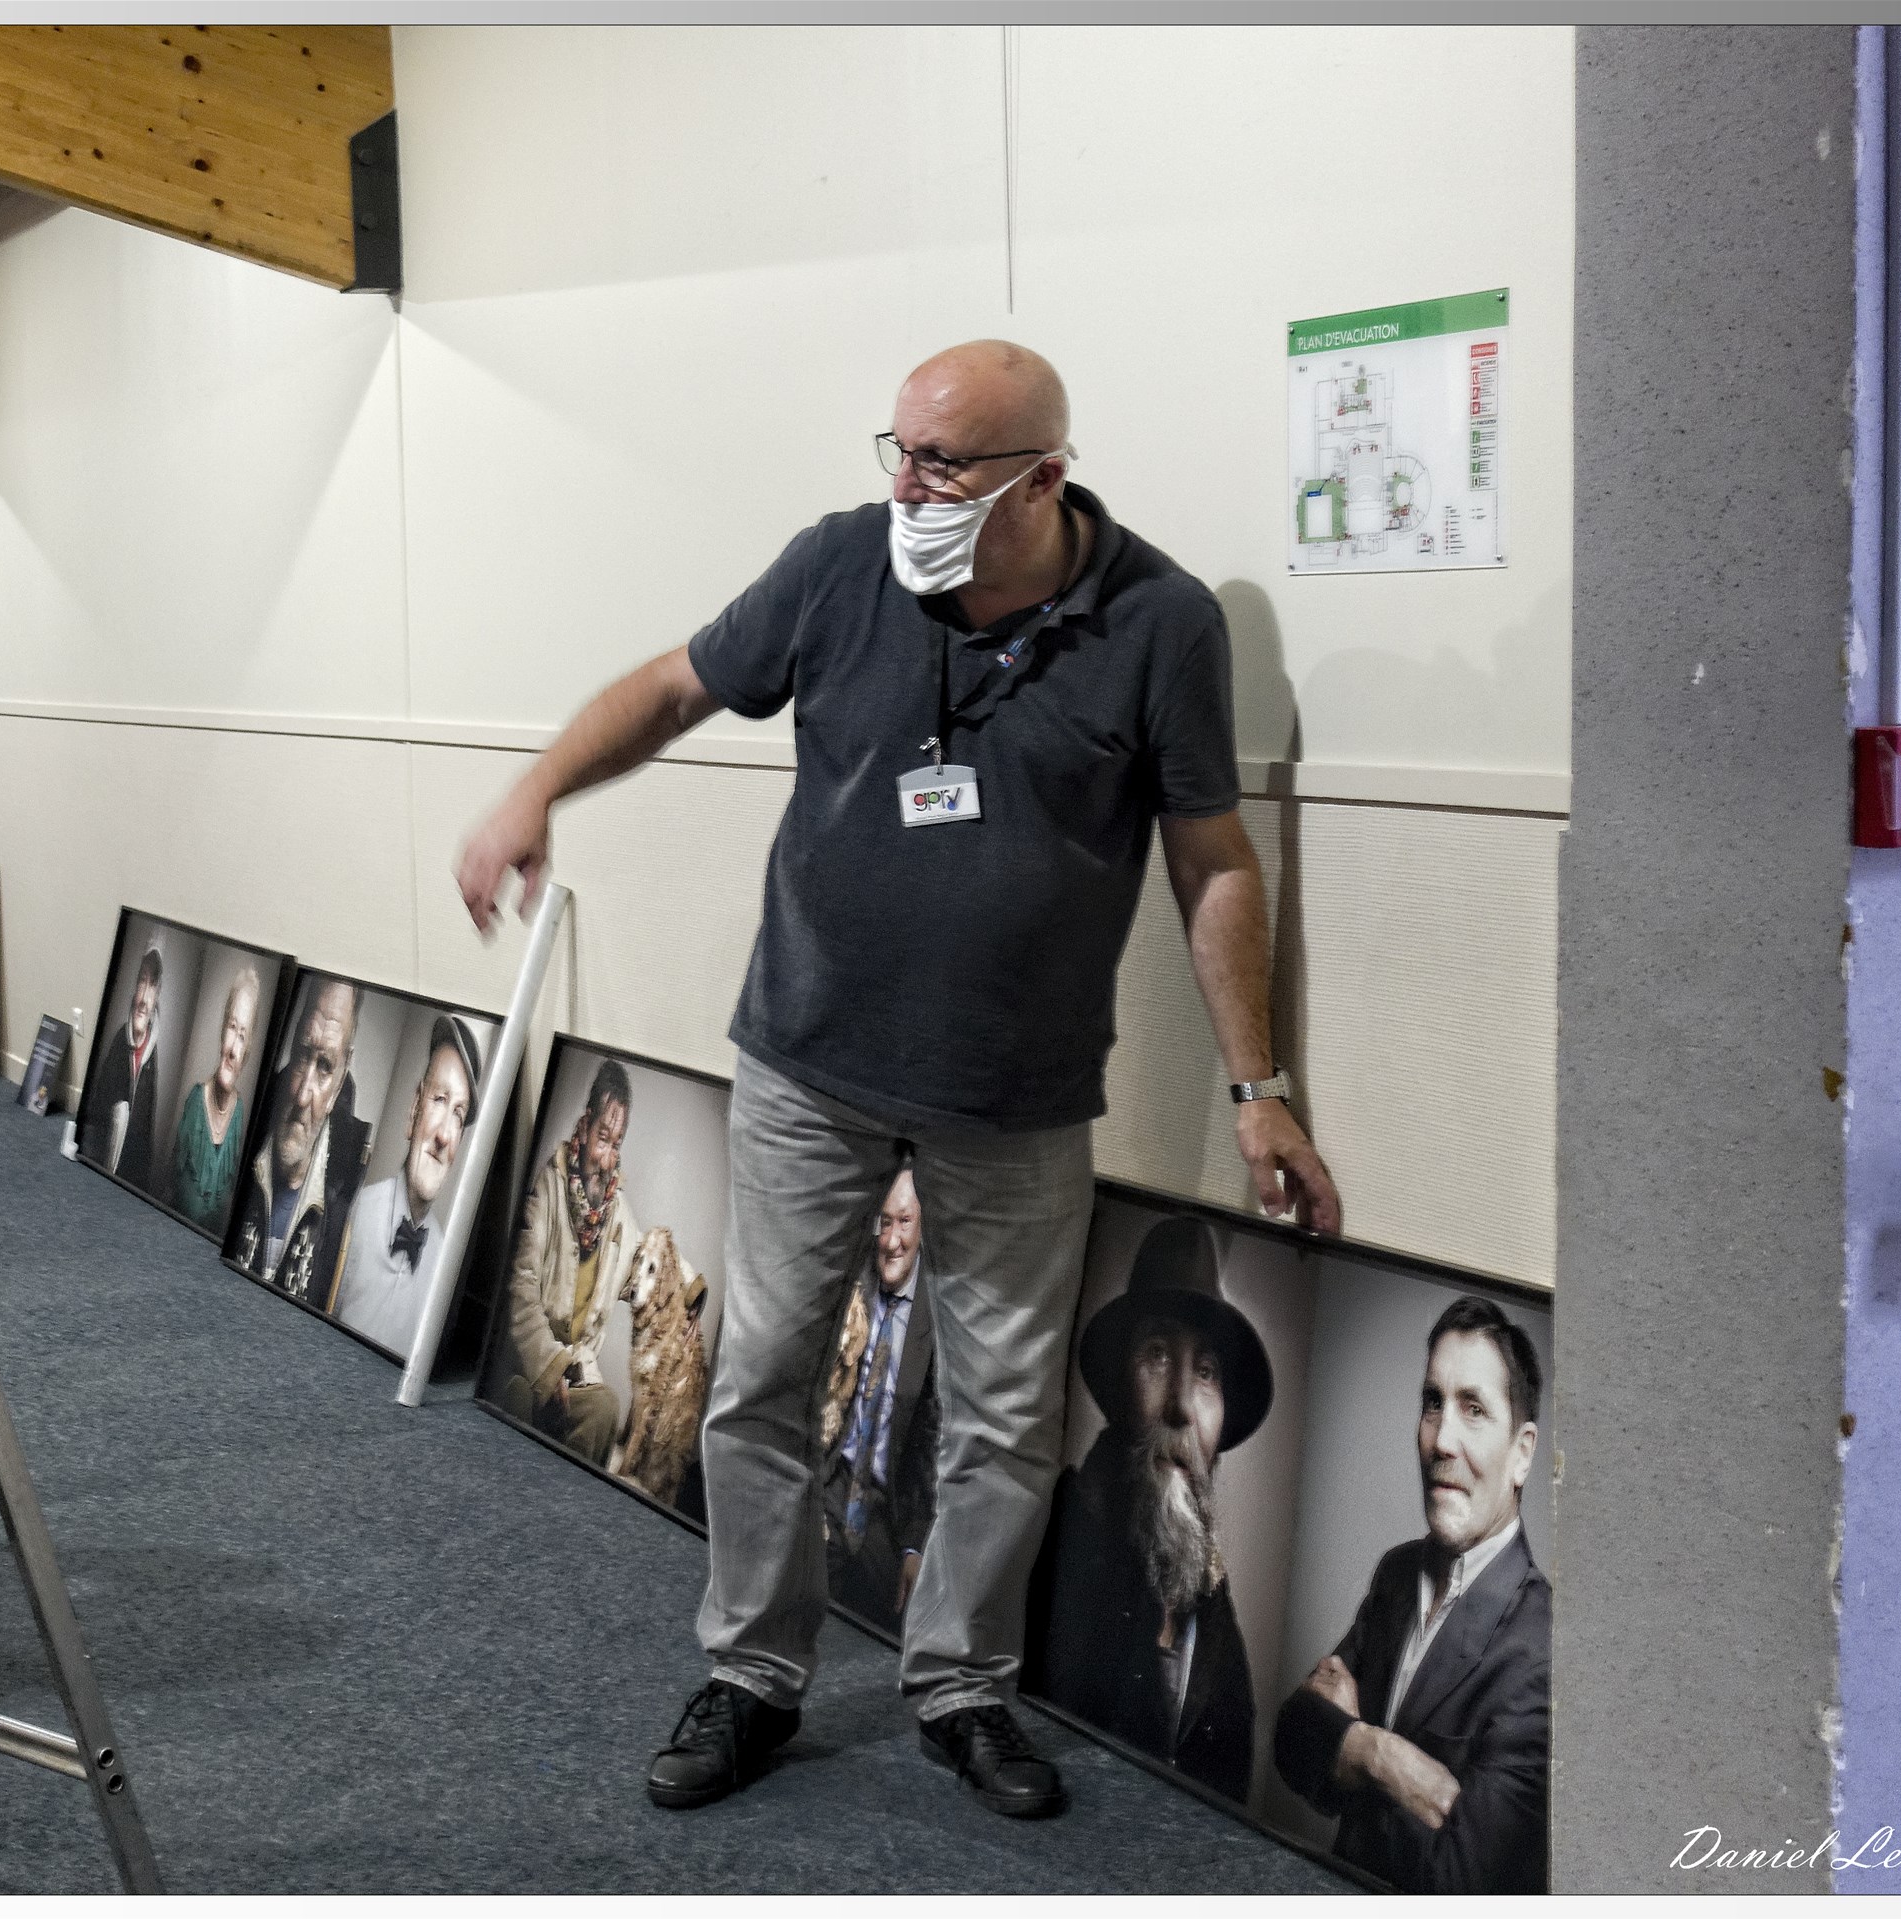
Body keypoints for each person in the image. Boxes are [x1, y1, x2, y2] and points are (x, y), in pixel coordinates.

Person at [454, 340, 1341, 1820]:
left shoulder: (1161, 621)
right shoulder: (837, 565)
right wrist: (535, 786)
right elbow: (676, 685)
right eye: (899, 452)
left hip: (1018, 1091)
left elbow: (1213, 859)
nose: (909, 488)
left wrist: (1262, 1089)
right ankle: (752, 1670)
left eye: (943, 463)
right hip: (812, 1059)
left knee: (1002, 1413)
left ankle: (963, 1684)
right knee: (760, 1378)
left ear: (1042, 478)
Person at [1272, 1297, 1549, 1893]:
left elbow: (1464, 1880)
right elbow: (1292, 1736)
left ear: (1522, 1454)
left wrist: (1343, 1742)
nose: (1442, 1439)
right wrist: (1382, 1758)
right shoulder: (1397, 1574)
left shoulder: (1546, 1648)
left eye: (1473, 1409)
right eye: (1432, 1402)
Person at [1028, 1217, 1270, 1804]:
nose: (1182, 1405)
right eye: (1157, 1355)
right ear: (1119, 1385)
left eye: (1206, 1372)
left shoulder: (1215, 1605)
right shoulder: (1053, 1533)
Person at [492, 1061, 641, 1465]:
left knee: (605, 1409)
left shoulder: (618, 1213)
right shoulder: (548, 1185)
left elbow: (651, 1259)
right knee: (515, 1397)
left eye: (616, 1144)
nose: (607, 1159)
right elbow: (521, 1286)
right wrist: (550, 1366)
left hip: (578, 1380)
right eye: (603, 1139)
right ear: (586, 1124)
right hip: (531, 1368)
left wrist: (691, 1293)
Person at [814, 1161, 938, 1634]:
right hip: (831, 1479)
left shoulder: (936, 1315)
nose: (891, 1241)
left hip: (889, 1511)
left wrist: (915, 1545)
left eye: (904, 1222)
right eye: (885, 1222)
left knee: (873, 1635)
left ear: (922, 1227)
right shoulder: (852, 1276)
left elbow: (931, 1441)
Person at [331, 1014, 483, 1353]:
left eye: (458, 1115)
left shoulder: (445, 1275)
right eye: (439, 1100)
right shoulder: (350, 1216)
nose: (444, 1135)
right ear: (414, 1108)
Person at [226, 977, 368, 1306]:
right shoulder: (243, 1131)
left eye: (325, 1066)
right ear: (291, 1046)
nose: (303, 1095)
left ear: (340, 1081)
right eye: (303, 1054)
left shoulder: (344, 1208)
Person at [169, 963, 259, 1236]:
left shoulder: (240, 1111)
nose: (233, 1049)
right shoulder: (195, 1099)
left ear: (248, 1050)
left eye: (243, 1036)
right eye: (232, 1027)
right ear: (222, 1032)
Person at [90, 947, 163, 1188]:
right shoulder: (119, 1042)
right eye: (142, 981)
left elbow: (146, 1133)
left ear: (157, 996)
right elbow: (96, 1115)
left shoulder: (152, 1057)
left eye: (152, 986)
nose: (144, 998)